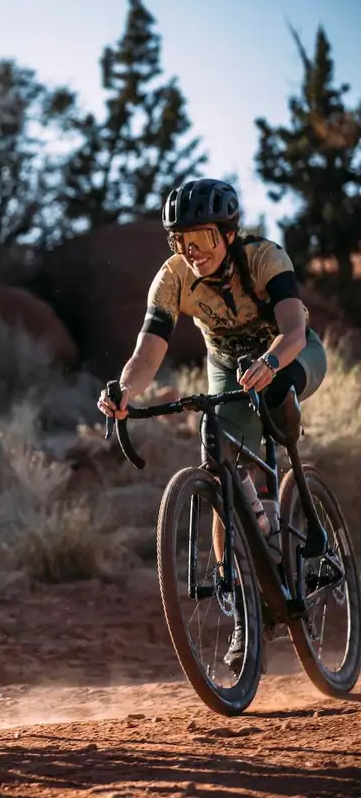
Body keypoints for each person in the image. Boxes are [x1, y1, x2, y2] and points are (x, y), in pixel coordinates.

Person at [96, 177, 329, 668]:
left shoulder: (265, 257)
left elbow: (294, 328)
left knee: (278, 391)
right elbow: (148, 349)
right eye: (180, 240)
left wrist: (271, 362)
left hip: (287, 351)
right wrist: (124, 391)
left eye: (200, 238)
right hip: (227, 362)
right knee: (226, 473)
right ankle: (246, 609)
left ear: (226, 234)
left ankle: (300, 517)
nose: (191, 250)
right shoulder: (173, 277)